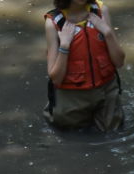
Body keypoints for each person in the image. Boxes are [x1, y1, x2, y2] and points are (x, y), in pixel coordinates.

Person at [44, 0, 125, 132]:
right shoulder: (53, 22)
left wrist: (108, 33)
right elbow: (56, 79)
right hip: (71, 96)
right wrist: (64, 45)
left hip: (106, 91)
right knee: (72, 136)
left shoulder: (100, 11)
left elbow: (119, 62)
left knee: (114, 132)